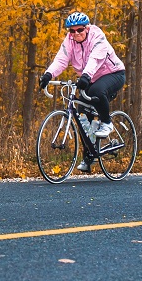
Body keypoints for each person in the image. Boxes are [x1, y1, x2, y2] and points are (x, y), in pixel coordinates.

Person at [38, 11, 126, 172]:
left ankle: (107, 123)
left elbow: (95, 59)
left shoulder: (97, 37)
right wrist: (48, 74)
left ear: (87, 28)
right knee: (83, 117)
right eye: (72, 31)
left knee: (98, 91)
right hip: (90, 77)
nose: (76, 34)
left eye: (79, 30)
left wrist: (85, 76)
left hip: (112, 74)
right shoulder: (70, 41)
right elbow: (61, 60)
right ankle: (89, 157)